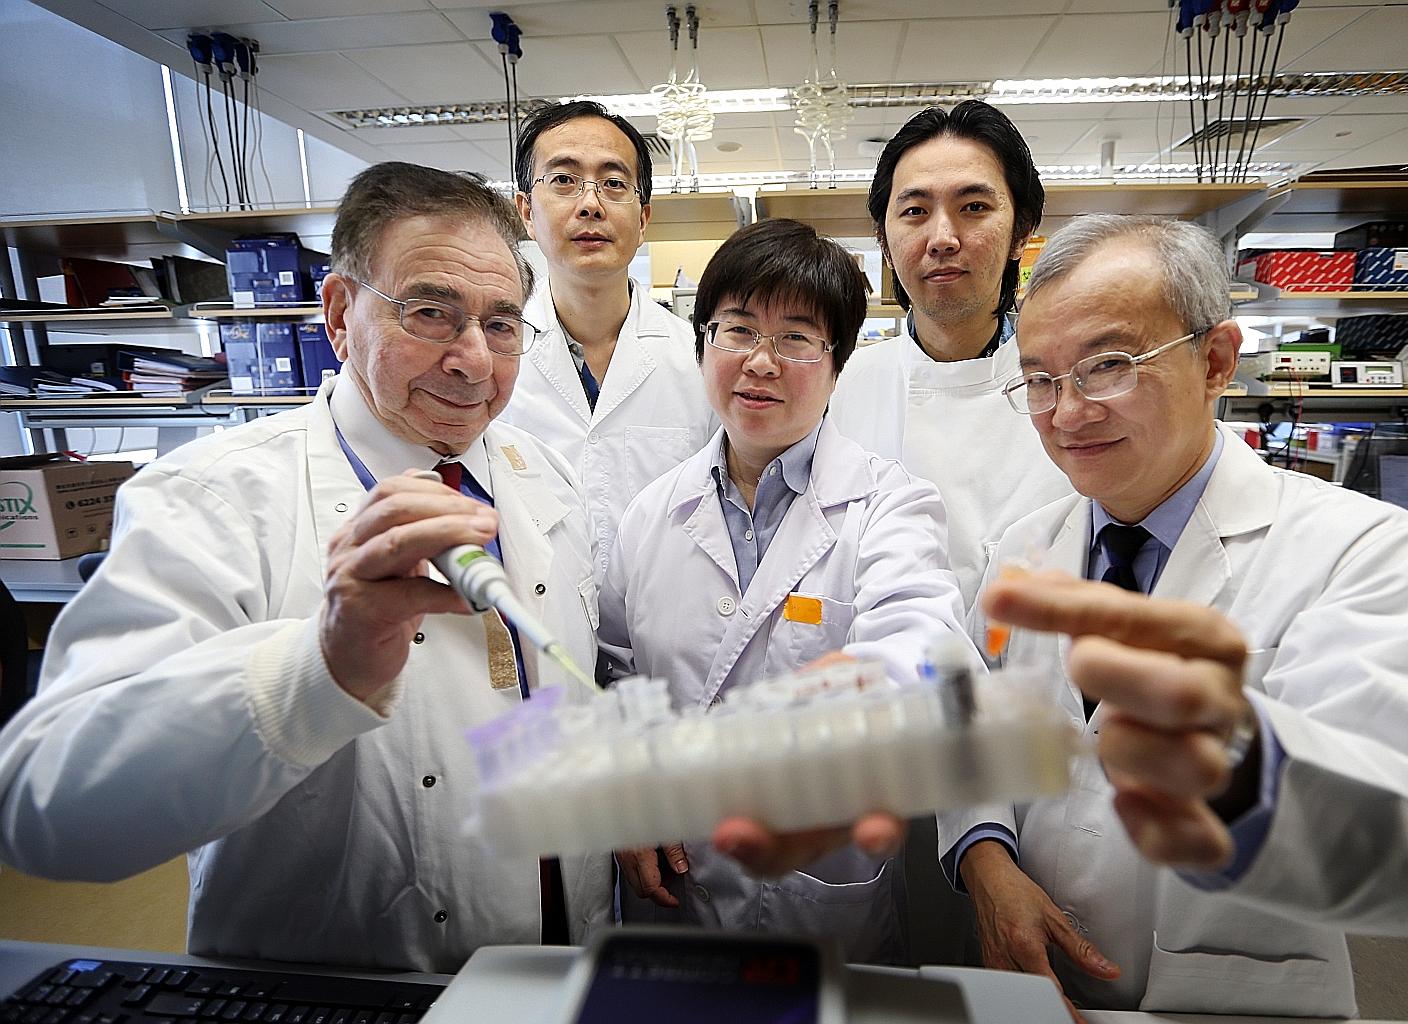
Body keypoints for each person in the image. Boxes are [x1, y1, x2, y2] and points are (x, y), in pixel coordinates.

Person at [0, 163, 615, 971]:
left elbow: (557, 693)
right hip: (339, 981)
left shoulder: (543, 476)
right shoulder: (212, 499)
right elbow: (48, 807)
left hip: (557, 968)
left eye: (501, 325)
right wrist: (318, 668)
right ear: (337, 314)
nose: (474, 361)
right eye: (431, 313)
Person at [940, 214, 1408, 1017]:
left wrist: (1247, 767)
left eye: (1108, 365)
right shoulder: (1023, 550)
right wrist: (987, 860)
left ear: (1215, 360)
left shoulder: (1373, 555)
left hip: (1228, 998)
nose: (1066, 414)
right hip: (1033, 987)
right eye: (1039, 379)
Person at [597, 218, 975, 964]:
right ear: (703, 343)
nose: (760, 363)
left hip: (825, 890)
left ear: (838, 366)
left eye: (797, 338)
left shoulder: (887, 504)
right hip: (679, 888)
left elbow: (918, 645)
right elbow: (615, 671)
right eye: (736, 330)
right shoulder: (651, 512)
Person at [829, 100, 1071, 606]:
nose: (942, 238)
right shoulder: (839, 387)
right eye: (915, 211)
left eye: (974, 207)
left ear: (1020, 234)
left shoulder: (1072, 391)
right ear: (883, 238)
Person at [504, 100, 715, 586]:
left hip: (664, 627)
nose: (590, 204)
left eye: (614, 183)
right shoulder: (491, 360)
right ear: (526, 212)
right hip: (538, 626)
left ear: (642, 218)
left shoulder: (699, 359)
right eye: (563, 180)